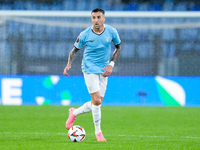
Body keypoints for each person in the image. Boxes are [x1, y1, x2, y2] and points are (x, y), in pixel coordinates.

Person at [63, 8, 121, 141]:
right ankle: (98, 132)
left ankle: (74, 112)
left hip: (104, 69)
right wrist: (69, 64)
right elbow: (74, 51)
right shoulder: (85, 34)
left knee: (98, 102)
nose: (96, 20)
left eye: (98, 17)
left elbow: (118, 47)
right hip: (89, 68)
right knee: (96, 100)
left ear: (104, 19)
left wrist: (111, 65)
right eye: (93, 17)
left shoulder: (111, 32)